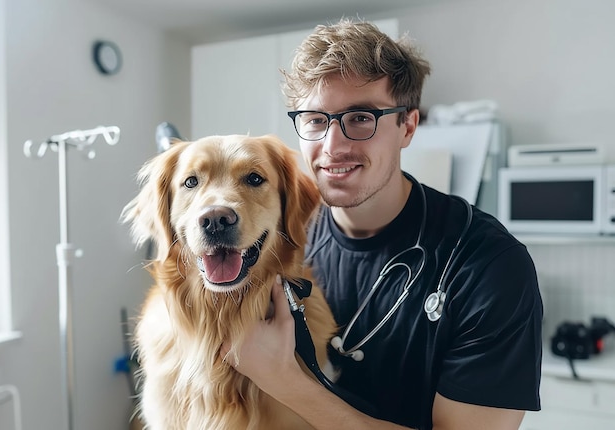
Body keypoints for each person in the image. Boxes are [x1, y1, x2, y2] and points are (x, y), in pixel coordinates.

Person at [222, 18, 542, 430]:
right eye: (316, 120)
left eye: (360, 118)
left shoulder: (488, 267)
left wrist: (286, 382)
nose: (333, 147)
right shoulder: (282, 237)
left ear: (407, 126)